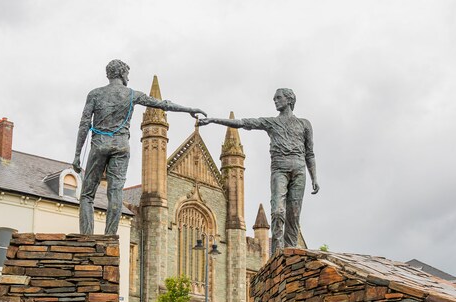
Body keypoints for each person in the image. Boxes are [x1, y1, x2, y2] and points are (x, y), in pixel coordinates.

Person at [74, 60, 205, 235]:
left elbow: (84, 125)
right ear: (121, 74)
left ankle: (86, 237)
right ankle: (110, 236)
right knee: (115, 192)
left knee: (87, 195)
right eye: (127, 73)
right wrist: (188, 109)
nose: (128, 77)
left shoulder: (95, 94)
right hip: (121, 145)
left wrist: (77, 154)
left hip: (99, 144)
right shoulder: (131, 95)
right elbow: (162, 104)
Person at [197, 88, 319, 255]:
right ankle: (277, 254)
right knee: (278, 211)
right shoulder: (271, 123)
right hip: (280, 169)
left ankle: (290, 253)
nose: (275, 101)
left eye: (278, 98)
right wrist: (212, 120)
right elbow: (244, 123)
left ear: (289, 100)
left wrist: (314, 177)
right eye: (274, 98)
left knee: (294, 215)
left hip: (299, 169)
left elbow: (310, 153)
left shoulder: (304, 124)